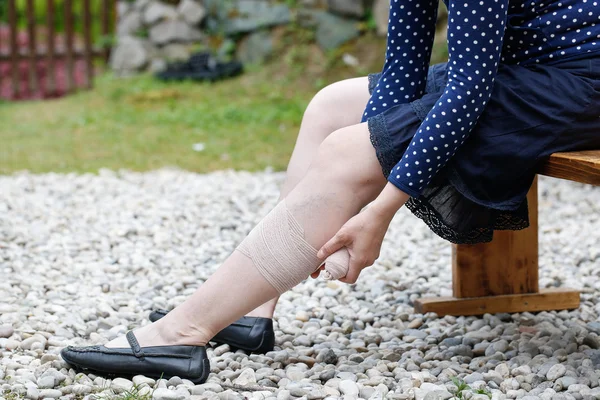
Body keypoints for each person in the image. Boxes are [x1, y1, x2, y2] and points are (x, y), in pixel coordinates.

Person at [61, 0, 600, 383]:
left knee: (349, 152)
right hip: (525, 71)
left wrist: (381, 205)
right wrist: (375, 148)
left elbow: (471, 85)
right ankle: (251, 314)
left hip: (579, 83)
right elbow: (403, 73)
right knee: (331, 109)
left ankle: (182, 333)